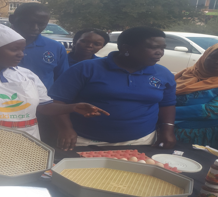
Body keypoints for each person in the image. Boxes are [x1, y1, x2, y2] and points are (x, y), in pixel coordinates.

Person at [49, 27, 177, 151]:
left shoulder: (163, 74)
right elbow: (57, 101)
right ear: (126, 48)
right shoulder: (86, 69)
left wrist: (167, 130)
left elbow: (167, 104)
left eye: (162, 48)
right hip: (85, 140)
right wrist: (65, 129)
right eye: (152, 47)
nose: (159, 52)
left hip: (141, 142)